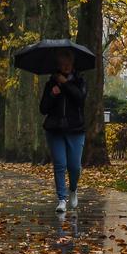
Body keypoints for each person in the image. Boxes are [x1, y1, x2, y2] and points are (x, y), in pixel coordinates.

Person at [39, 48, 86, 213]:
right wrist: (52, 94)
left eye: (68, 64)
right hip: (55, 129)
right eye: (62, 64)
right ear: (58, 65)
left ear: (72, 64)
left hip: (76, 129)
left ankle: (73, 188)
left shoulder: (79, 81)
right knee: (60, 164)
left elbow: (80, 99)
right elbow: (43, 109)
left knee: (74, 166)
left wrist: (65, 84)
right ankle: (61, 199)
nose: (66, 67)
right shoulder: (50, 84)